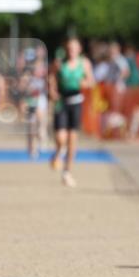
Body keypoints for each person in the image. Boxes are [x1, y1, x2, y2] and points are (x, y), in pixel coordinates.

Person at [48, 37, 95, 187]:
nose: (71, 51)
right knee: (61, 138)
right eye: (69, 48)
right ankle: (57, 153)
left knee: (72, 139)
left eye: (74, 48)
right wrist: (52, 90)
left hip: (76, 102)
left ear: (79, 49)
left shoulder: (85, 63)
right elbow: (51, 76)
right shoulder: (59, 63)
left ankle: (67, 172)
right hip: (62, 102)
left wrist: (85, 83)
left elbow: (91, 81)